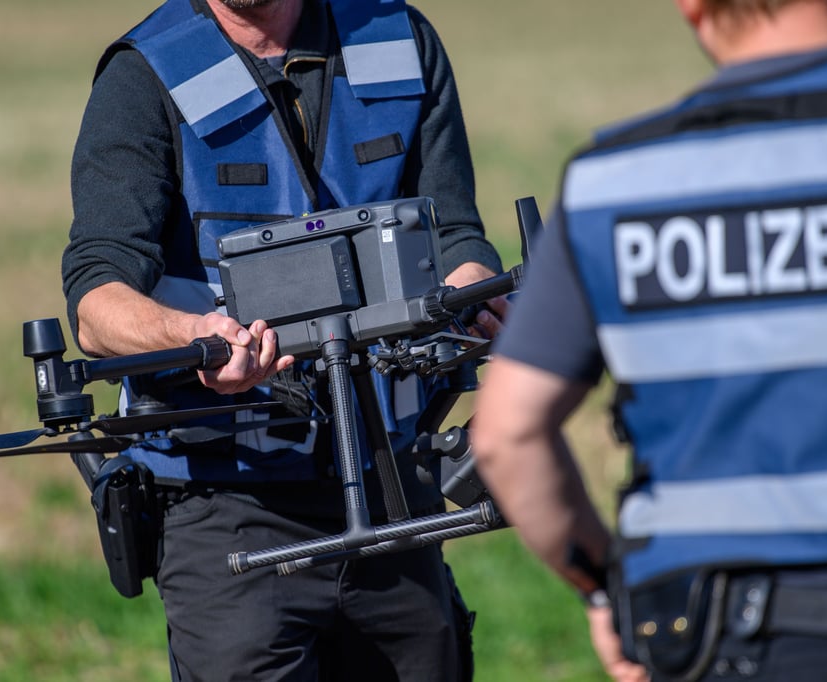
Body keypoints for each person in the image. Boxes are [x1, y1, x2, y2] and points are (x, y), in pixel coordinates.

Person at [62, 0, 508, 680]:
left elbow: (452, 229)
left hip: (390, 486)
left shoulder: (398, 38)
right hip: (229, 504)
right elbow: (96, 302)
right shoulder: (145, 73)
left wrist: (473, 289)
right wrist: (199, 337)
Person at [472, 1, 827, 680]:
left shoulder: (613, 181)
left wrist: (606, 591)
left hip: (703, 639)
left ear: (691, 7)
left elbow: (506, 434)